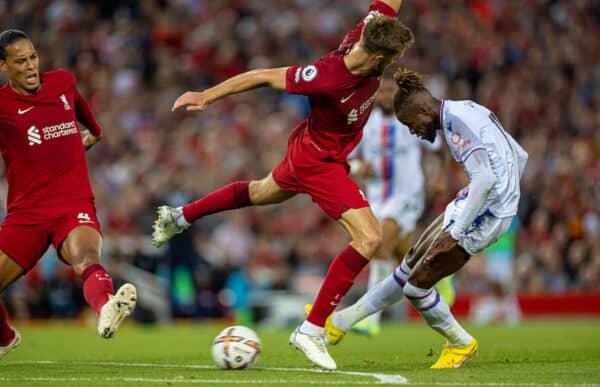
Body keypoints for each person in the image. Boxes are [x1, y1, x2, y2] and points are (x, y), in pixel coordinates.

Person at [152, 0, 413, 370]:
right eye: (393, 58)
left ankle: (179, 217)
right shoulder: (328, 75)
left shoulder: (372, 29)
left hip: (318, 150)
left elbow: (388, 3)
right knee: (369, 238)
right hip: (318, 161)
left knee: (259, 192)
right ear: (377, 60)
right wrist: (206, 96)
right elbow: (262, 75)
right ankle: (311, 329)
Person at [323, 69, 528, 369]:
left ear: (423, 110)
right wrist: (510, 192)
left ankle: (460, 343)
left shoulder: (456, 123)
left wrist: (460, 231)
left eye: (411, 124)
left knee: (415, 287)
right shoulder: (467, 108)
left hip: (487, 212)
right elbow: (519, 155)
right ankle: (344, 319)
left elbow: (484, 178)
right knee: (409, 263)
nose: (414, 132)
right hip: (478, 201)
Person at [0, 30, 137, 360]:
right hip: (27, 212)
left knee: (87, 258)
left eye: (33, 56)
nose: (31, 66)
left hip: (72, 203)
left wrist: (92, 135)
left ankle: (106, 307)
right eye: (21, 61)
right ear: (4, 66)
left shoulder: (62, 81)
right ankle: (4, 339)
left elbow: (91, 122)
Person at [346, 76, 452, 337]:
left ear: (397, 93)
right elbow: (345, 159)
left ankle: (370, 318)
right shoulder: (365, 126)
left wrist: (440, 176)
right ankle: (442, 271)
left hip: (408, 195)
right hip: (377, 198)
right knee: (405, 253)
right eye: (380, 91)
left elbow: (439, 149)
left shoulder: (409, 121)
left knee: (380, 241)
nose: (384, 96)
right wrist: (360, 168)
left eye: (389, 91)